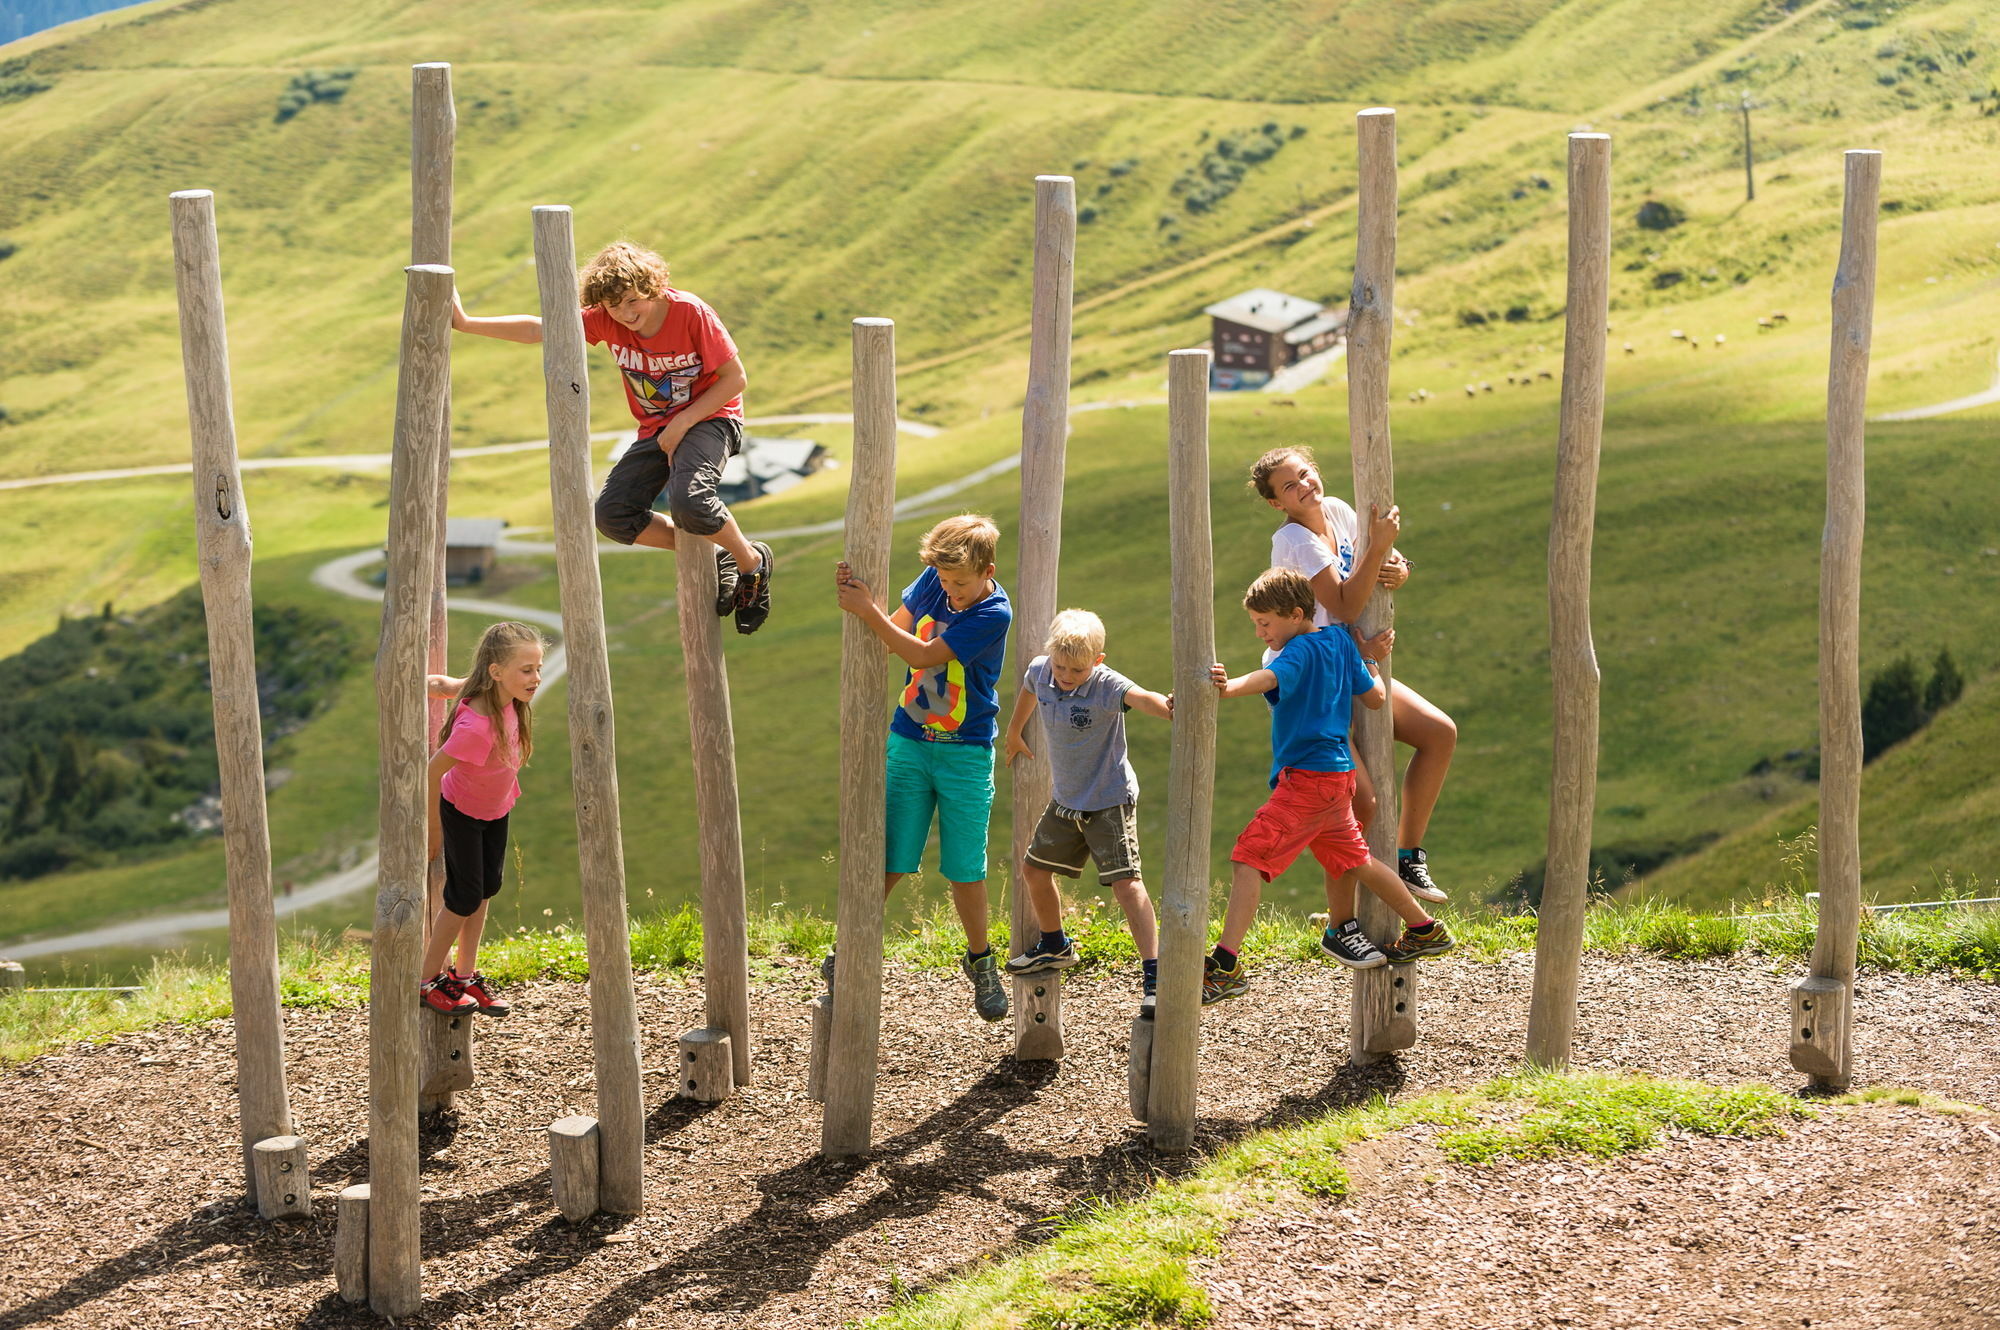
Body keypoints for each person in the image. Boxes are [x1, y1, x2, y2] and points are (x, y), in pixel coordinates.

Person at [452, 240, 775, 632]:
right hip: (656, 428)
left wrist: (683, 422)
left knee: (690, 499)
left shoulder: (690, 312)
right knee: (613, 515)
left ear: (653, 286)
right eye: (612, 307)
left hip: (711, 417)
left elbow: (735, 379)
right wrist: (466, 323)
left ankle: (750, 563)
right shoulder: (607, 319)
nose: (624, 315)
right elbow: (543, 327)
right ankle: (718, 551)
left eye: (632, 301)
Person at [1205, 569, 1452, 1005]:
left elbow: (1267, 679)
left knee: (1248, 858)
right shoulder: (1339, 642)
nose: (1260, 632)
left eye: (1265, 623)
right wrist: (1369, 658)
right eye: (1255, 624)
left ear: (1295, 614)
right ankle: (1423, 928)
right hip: (1339, 779)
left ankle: (1225, 965)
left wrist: (1226, 689)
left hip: (1307, 781)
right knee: (1358, 860)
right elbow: (1375, 698)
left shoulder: (1296, 652)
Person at [1249, 445, 1457, 902]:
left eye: (1305, 474)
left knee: (1439, 733)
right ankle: (1342, 921)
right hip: (1311, 679)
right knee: (1356, 802)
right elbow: (1343, 603)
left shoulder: (1338, 510)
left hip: (1348, 662)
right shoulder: (1292, 541)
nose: (1304, 486)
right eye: (1289, 486)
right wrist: (1380, 547)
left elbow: (1381, 563)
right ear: (1275, 503)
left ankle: (1409, 857)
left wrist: (1398, 565)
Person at [834, 514, 1014, 1020]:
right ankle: (850, 946)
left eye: (961, 584)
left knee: (964, 867)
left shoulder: (995, 613)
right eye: (946, 582)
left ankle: (980, 960)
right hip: (910, 742)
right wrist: (864, 603)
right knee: (892, 854)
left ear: (987, 571)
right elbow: (897, 627)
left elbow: (920, 650)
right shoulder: (936, 580)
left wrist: (866, 610)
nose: (951, 592)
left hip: (965, 752)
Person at [1000, 609, 1173, 1016]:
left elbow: (1141, 698)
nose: (1065, 676)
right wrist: (1013, 730)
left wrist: (1171, 707)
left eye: (1076, 670)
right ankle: (1055, 944)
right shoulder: (1042, 671)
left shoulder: (1107, 684)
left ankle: (1155, 972)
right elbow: (1029, 688)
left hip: (1109, 799)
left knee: (1126, 885)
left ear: (1098, 660)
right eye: (1060, 666)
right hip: (1066, 801)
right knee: (1033, 870)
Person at [418, 621, 546, 1016]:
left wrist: (430, 683)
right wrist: (434, 831)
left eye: (538, 668)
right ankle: (426, 981)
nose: (536, 679)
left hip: (495, 807)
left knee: (486, 889)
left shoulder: (497, 692)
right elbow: (430, 772)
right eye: (526, 670)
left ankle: (464, 974)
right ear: (496, 671)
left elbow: (442, 684)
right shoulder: (477, 726)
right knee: (462, 898)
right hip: (462, 812)